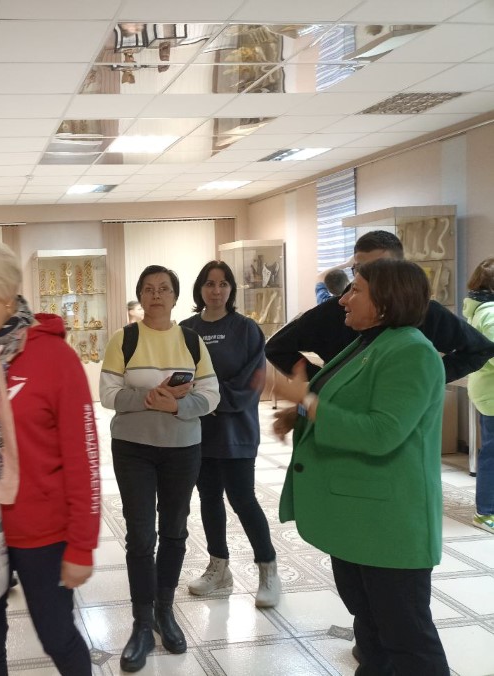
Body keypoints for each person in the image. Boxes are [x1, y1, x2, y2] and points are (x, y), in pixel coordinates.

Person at [274, 258, 449, 675]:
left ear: (386, 301)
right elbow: (350, 402)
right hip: (360, 519)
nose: (343, 299)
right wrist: (300, 412)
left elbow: (381, 432)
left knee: (409, 642)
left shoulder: (412, 352)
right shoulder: (370, 343)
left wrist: (306, 400)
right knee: (372, 633)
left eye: (356, 290)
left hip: (389, 525)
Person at [0, 239, 99, 676]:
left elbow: (83, 459)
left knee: (57, 636)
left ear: (5, 294)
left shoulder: (55, 357)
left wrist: (81, 544)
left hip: (41, 533)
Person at [100, 265, 220, 672]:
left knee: (174, 530)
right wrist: (151, 398)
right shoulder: (125, 339)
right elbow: (108, 394)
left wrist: (177, 406)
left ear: (175, 296)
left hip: (182, 449)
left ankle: (164, 611)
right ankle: (141, 622)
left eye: (164, 289)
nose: (156, 295)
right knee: (139, 535)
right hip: (133, 449)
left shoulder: (191, 340)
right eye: (149, 289)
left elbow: (211, 395)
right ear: (140, 296)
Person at [267, 230, 494, 382]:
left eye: (380, 269)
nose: (370, 277)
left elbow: (479, 349)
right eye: (360, 270)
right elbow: (277, 347)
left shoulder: (424, 312)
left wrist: (429, 378)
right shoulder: (334, 311)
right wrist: (324, 381)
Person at [180, 261, 279, 607]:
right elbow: (179, 376)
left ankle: (268, 569)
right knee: (208, 498)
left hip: (236, 430)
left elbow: (252, 381)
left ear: (232, 289)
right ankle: (218, 567)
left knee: (242, 499)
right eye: (209, 283)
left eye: (223, 284)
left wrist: (207, 399)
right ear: (200, 288)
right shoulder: (186, 329)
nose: (216, 290)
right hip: (198, 432)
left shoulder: (246, 329)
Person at [464, 257, 494, 534]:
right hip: (491, 391)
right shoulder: (490, 312)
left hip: (486, 389)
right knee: (492, 453)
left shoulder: (480, 309)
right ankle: (486, 512)